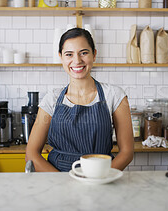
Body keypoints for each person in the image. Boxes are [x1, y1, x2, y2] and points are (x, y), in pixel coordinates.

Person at [25, 28, 134, 172]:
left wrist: (99, 179)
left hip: (101, 178)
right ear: (61, 57)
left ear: (94, 54)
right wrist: (62, 183)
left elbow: (127, 152)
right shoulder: (51, 99)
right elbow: (31, 154)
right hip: (57, 182)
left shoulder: (114, 95)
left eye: (84, 53)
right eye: (69, 54)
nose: (77, 60)